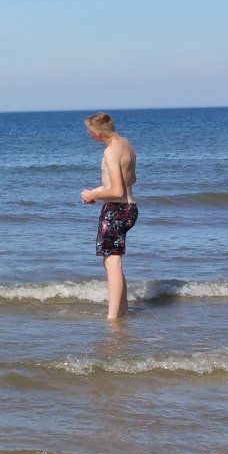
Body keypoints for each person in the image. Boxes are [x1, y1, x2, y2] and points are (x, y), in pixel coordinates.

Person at [78, 112, 138, 320]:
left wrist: (92, 194)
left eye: (89, 131)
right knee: (114, 263)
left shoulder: (111, 151)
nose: (89, 135)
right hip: (129, 208)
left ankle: (112, 318)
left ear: (97, 132)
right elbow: (131, 180)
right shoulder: (127, 145)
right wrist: (98, 193)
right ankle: (123, 310)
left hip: (117, 210)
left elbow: (116, 190)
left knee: (112, 264)